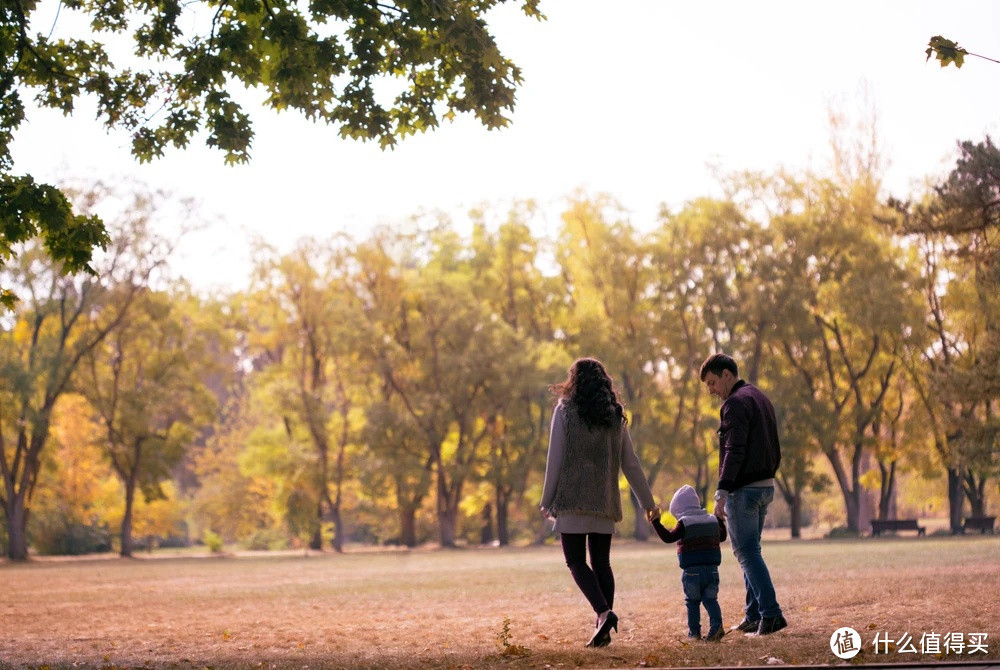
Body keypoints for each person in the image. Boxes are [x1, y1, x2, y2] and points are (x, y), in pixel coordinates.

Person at [540, 357, 658, 648]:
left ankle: (604, 614)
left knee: (576, 561)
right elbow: (631, 464)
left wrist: (547, 499)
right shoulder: (613, 416)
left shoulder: (565, 411)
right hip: (604, 502)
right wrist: (648, 502)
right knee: (602, 563)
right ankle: (602, 627)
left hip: (572, 501)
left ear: (575, 380)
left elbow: (554, 459)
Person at [700, 352, 787, 636]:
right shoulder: (759, 397)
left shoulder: (735, 403)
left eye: (713, 383)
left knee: (746, 552)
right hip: (764, 486)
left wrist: (722, 491)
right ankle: (753, 614)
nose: (712, 391)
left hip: (744, 490)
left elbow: (733, 451)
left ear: (727, 374)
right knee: (751, 551)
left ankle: (771, 614)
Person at [648, 485, 727, 641]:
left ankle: (694, 633)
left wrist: (656, 522)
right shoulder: (712, 520)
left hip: (692, 571)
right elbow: (723, 536)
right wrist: (720, 519)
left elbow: (668, 538)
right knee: (711, 599)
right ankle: (717, 627)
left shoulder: (685, 523)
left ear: (679, 510)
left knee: (692, 602)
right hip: (712, 570)